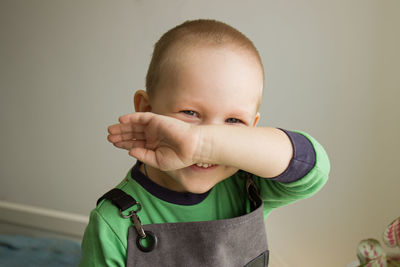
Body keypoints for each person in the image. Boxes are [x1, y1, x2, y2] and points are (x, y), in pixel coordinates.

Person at [79, 19, 330, 267]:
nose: (208, 137)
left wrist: (202, 144)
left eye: (233, 120)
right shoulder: (113, 223)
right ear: (146, 109)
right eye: (190, 113)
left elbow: (314, 169)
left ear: (252, 130)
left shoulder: (247, 182)